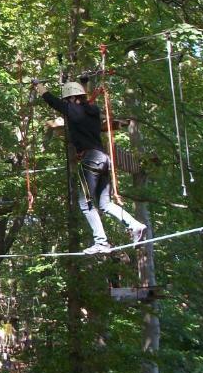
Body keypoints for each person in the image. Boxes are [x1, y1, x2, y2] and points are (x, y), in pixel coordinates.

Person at [39, 81, 147, 254]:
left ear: (72, 98)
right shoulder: (93, 112)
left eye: (67, 99)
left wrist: (39, 85)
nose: (66, 102)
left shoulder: (72, 109)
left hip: (90, 160)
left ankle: (101, 242)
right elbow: (85, 106)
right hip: (103, 159)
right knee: (105, 203)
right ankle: (134, 224)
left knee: (85, 203)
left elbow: (51, 100)